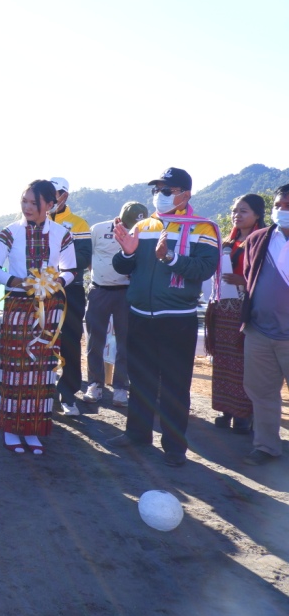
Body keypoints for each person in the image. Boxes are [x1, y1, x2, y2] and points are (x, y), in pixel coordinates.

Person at [107, 168, 220, 467]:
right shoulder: (143, 225)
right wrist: (127, 253)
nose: (160, 195)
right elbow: (122, 267)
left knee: (175, 385)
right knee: (140, 380)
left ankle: (174, 447)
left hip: (177, 317)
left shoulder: (203, 228)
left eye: (167, 190)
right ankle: (137, 434)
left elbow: (204, 269)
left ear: (186, 194)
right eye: (157, 190)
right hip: (139, 314)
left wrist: (170, 257)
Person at [0, 180, 77, 455]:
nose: (27, 207)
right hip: (17, 305)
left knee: (42, 368)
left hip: (49, 308)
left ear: (50, 205)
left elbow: (71, 269)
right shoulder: (10, 232)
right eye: (24, 201)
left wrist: (56, 282)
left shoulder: (62, 233)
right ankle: (11, 428)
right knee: (14, 367)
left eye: (33, 203)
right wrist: (18, 281)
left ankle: (33, 429)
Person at [238, 183, 289, 465]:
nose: (282, 211)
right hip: (259, 331)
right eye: (278, 205)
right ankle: (266, 446)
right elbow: (250, 278)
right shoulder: (258, 239)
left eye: (288, 206)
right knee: (262, 393)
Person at [207, 194, 265, 433]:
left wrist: (243, 280)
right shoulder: (227, 243)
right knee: (223, 360)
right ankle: (226, 410)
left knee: (244, 362)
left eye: (243, 211)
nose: (236, 215)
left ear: (257, 214)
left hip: (247, 310)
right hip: (223, 309)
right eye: (234, 210)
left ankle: (245, 414)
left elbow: (271, 277)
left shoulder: (263, 242)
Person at [81, 202, 147, 407]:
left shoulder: (143, 232)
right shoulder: (98, 229)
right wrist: (99, 275)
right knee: (95, 340)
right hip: (99, 291)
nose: (130, 228)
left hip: (126, 293)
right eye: (127, 224)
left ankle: (121, 387)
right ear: (119, 218)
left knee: (125, 342)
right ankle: (95, 384)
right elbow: (88, 257)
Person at [48, 177, 92, 416]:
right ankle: (42, 389)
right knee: (39, 339)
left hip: (70, 290)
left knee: (70, 342)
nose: (51, 197)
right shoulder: (34, 220)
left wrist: (58, 262)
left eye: (55, 193)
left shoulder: (78, 223)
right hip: (39, 289)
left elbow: (84, 257)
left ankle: (68, 393)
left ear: (64, 195)